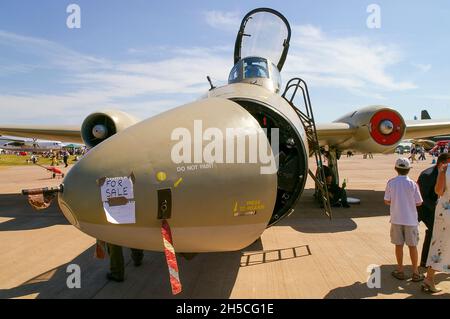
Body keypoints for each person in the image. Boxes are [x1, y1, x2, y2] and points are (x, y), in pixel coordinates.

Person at [384, 158, 424, 282]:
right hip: (411, 220)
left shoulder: (391, 182)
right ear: (408, 169)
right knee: (413, 246)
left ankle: (400, 270)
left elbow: (387, 200)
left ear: (396, 169)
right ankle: (415, 272)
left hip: (396, 219)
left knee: (399, 245)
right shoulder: (413, 184)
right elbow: (419, 202)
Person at [422, 155, 450, 293]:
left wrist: (442, 173)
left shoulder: (445, 169)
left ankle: (429, 278)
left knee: (439, 245)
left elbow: (439, 191)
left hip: (443, 212)